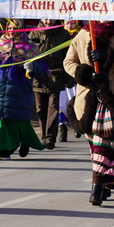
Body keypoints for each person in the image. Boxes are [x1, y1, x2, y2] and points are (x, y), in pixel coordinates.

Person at [64, 21, 114, 206]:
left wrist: (111, 57)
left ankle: (96, 187)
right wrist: (85, 74)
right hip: (89, 100)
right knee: (95, 144)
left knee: (104, 144)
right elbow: (68, 62)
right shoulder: (83, 35)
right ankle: (104, 182)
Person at [0, 20, 48, 160]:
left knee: (14, 117)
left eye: (15, 28)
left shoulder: (30, 47)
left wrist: (33, 68)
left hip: (19, 88)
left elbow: (43, 68)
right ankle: (2, 149)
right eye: (9, 27)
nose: (11, 30)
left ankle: (19, 142)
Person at [30, 18, 73, 148]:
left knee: (53, 107)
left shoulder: (64, 35)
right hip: (38, 76)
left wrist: (70, 78)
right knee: (40, 108)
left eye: (51, 18)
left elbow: (69, 57)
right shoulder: (33, 34)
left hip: (56, 76)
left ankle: (50, 138)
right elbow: (26, 54)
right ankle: (43, 136)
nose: (49, 21)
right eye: (46, 18)